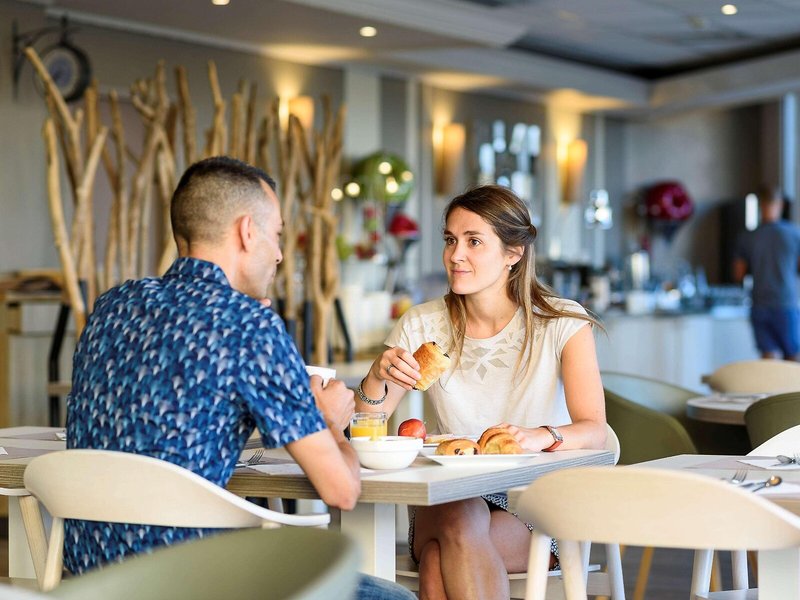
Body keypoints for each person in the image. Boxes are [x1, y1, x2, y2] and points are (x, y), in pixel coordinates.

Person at [66, 156, 414, 600]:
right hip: (191, 584)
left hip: (89, 582)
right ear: (248, 231)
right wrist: (326, 419)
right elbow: (342, 491)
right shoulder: (248, 325)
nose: (280, 254)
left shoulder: (112, 306)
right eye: (278, 234)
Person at [356, 184, 607, 600]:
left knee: (439, 559)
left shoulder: (563, 323)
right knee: (461, 513)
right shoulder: (420, 324)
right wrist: (376, 378)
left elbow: (595, 431)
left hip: (534, 503)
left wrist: (537, 436)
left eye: (473, 241)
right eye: (450, 240)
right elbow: (364, 427)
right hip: (445, 494)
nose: (455, 255)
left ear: (513, 253)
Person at [733, 185, 800, 361]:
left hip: (759, 303)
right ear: (780, 204)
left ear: (760, 205)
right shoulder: (794, 234)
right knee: (793, 358)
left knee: (768, 359)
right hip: (785, 302)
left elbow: (738, 274)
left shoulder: (747, 237)